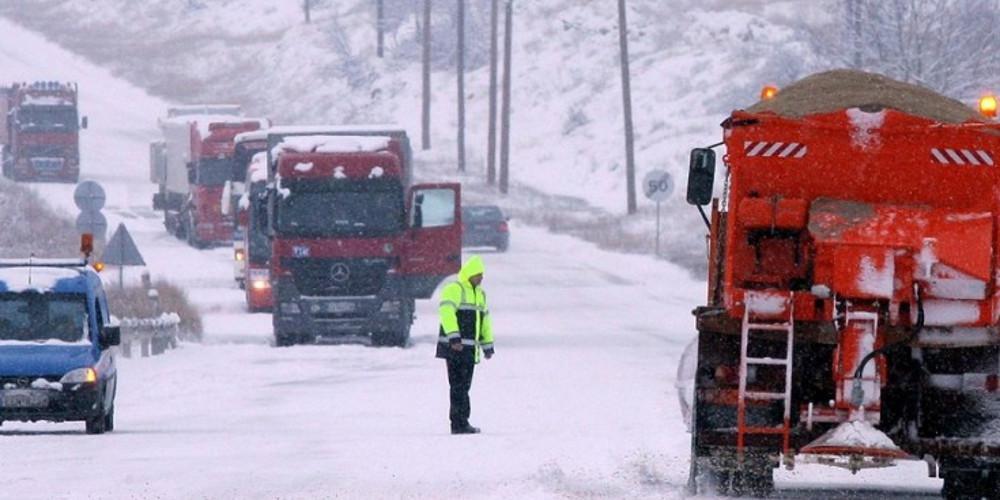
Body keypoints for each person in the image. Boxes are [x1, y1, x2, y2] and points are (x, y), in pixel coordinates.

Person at [436, 256, 494, 435]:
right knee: (457, 386)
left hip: (469, 350)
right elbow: (446, 313)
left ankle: (463, 421)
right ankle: (458, 423)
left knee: (464, 386)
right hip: (454, 348)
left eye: (482, 275)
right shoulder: (455, 289)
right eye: (478, 275)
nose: (481, 278)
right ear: (469, 274)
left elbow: (485, 321)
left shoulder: (480, 294)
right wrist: (454, 337)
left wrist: (487, 344)